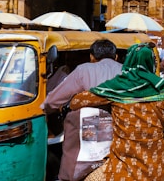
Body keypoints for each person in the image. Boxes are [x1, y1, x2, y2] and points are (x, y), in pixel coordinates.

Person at [69, 43, 164, 181]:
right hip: (156, 169)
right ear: (151, 62)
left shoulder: (117, 86)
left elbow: (76, 102)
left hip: (123, 170)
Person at [42, 39, 122, 181]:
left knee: (74, 164)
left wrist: (45, 108)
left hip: (88, 131)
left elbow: (54, 100)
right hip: (119, 129)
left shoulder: (83, 70)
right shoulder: (125, 71)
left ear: (92, 56)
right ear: (115, 56)